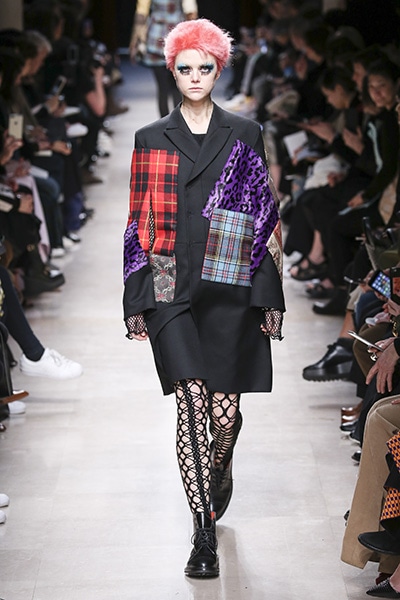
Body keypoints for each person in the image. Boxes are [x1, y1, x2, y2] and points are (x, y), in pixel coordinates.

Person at [122, 18, 285, 578]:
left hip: (228, 281)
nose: (195, 76)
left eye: (205, 67)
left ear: (219, 70)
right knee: (190, 402)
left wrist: (267, 295)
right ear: (173, 71)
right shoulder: (150, 137)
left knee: (224, 414)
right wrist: (137, 297)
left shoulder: (244, 132)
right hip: (169, 281)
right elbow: (138, 219)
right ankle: (203, 531)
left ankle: (222, 464)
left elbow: (262, 218)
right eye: (185, 67)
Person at [129, 0, 198, 117]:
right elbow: (190, 11)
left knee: (163, 88)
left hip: (156, 36)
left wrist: (135, 40)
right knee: (177, 86)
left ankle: (165, 123)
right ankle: (178, 123)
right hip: (177, 33)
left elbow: (141, 13)